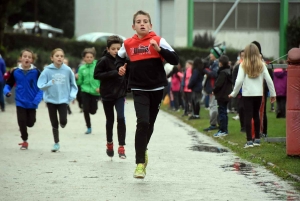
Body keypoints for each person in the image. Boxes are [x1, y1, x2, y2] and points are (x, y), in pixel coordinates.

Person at [116, 10, 179, 179]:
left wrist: (160, 50)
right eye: (138, 21)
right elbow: (118, 58)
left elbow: (175, 59)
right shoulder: (128, 43)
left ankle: (142, 150)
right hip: (138, 88)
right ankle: (139, 164)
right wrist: (120, 67)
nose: (142, 24)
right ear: (133, 26)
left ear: (150, 25)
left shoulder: (158, 40)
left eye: (145, 21)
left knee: (149, 124)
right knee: (142, 122)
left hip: (157, 89)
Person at [229, 43, 276, 148]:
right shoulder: (262, 64)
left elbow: (239, 80)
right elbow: (269, 80)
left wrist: (234, 93)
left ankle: (249, 140)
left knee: (248, 116)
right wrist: (273, 94)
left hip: (247, 94)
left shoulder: (243, 65)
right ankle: (257, 139)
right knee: (256, 115)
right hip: (258, 94)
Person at [37, 48, 78, 152]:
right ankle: (56, 143)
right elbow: (40, 85)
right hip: (51, 100)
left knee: (63, 121)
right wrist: (49, 83)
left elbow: (74, 85)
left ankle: (63, 122)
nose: (60, 58)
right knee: (54, 122)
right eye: (57, 56)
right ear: (52, 58)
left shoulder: (68, 70)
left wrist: (72, 96)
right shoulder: (47, 70)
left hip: (64, 100)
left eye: (61, 56)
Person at [94, 35, 127, 159]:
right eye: (113, 48)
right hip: (107, 94)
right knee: (110, 120)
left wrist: (127, 86)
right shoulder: (103, 60)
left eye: (118, 48)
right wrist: (114, 73)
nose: (116, 51)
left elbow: (127, 75)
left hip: (120, 94)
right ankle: (109, 143)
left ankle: (122, 147)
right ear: (108, 49)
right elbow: (96, 75)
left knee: (121, 118)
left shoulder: (124, 60)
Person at [3, 49, 43, 149]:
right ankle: (24, 141)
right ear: (21, 58)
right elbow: (8, 85)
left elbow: (42, 88)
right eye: (25, 56)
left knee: (30, 123)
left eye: (29, 57)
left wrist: (37, 100)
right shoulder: (16, 72)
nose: (27, 58)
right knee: (21, 121)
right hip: (20, 101)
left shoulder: (36, 72)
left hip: (32, 102)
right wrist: (6, 92)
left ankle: (27, 128)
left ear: (32, 60)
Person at [76, 48, 100, 134]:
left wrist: (100, 87)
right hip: (84, 91)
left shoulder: (98, 65)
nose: (89, 58)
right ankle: (89, 127)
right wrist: (77, 78)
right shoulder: (82, 68)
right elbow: (79, 82)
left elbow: (102, 78)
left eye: (91, 57)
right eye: (87, 57)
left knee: (93, 111)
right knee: (85, 109)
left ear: (94, 57)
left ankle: (92, 108)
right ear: (84, 58)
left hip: (95, 91)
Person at [203, 46, 224, 131]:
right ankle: (216, 123)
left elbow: (214, 74)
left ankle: (213, 124)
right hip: (212, 88)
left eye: (212, 53)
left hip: (214, 88)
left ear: (216, 54)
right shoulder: (213, 63)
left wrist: (205, 70)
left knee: (213, 106)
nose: (210, 55)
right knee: (213, 105)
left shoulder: (216, 64)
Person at [212, 55, 232, 137]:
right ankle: (224, 129)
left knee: (222, 112)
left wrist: (214, 90)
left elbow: (218, 84)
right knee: (224, 112)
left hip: (221, 95)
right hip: (226, 95)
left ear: (220, 63)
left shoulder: (222, 72)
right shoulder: (229, 71)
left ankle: (222, 130)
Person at [232, 50, 245, 132]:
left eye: (245, 55)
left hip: (249, 92)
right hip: (240, 91)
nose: (243, 57)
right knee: (241, 108)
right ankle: (243, 126)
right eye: (242, 56)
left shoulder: (251, 66)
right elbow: (234, 79)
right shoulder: (237, 67)